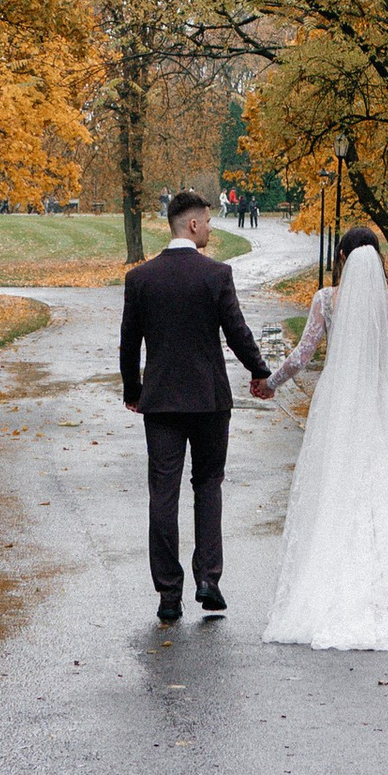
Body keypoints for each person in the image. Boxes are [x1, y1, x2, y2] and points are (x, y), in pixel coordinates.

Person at [263, 226, 388, 653]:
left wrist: (270, 383)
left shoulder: (327, 300)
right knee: (382, 493)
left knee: (336, 491)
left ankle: (329, 586)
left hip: (338, 406)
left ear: (343, 257)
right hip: (377, 406)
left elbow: (303, 355)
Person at [119, 189, 272, 623]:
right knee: (208, 486)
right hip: (208, 401)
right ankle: (209, 579)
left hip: (162, 402)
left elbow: (129, 345)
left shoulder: (141, 279)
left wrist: (134, 391)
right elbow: (237, 332)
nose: (210, 227)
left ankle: (169, 594)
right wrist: (260, 373)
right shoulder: (215, 275)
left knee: (163, 494)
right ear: (191, 225)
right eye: (207, 220)